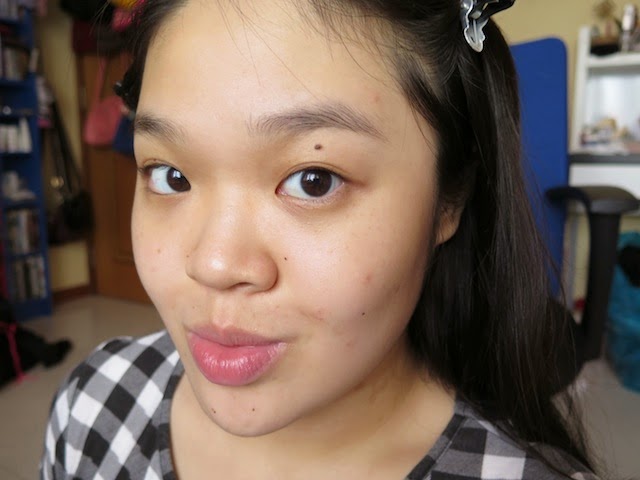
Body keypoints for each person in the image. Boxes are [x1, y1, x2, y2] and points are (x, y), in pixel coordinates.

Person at [41, 0, 602, 478]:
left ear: (448, 201)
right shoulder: (95, 407)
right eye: (170, 176)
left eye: (315, 180)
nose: (214, 264)